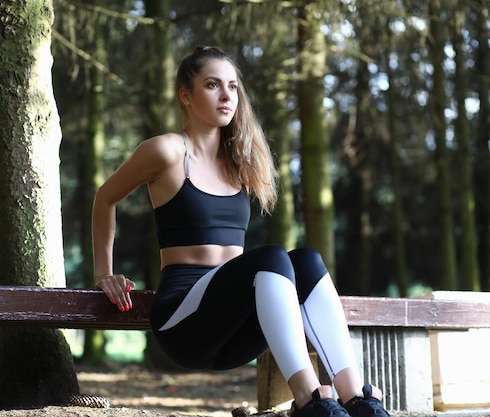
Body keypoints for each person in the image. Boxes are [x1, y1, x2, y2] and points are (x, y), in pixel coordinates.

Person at [92, 46, 390, 417]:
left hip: (238, 331)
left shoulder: (239, 161)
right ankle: (310, 399)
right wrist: (104, 272)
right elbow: (105, 197)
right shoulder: (167, 151)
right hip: (184, 323)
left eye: (232, 86)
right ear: (186, 96)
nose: (226, 95)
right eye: (213, 85)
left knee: (308, 260)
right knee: (271, 256)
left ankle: (356, 398)